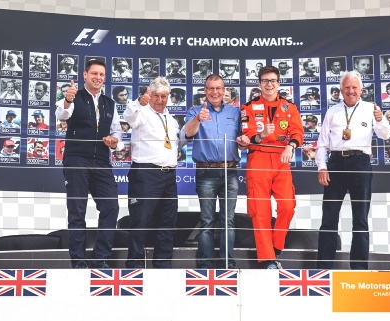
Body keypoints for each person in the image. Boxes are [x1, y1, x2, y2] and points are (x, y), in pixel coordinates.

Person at [315, 70, 390, 270]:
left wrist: (381, 118)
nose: (350, 91)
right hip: (336, 164)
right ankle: (323, 268)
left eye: (354, 88)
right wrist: (322, 167)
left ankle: (359, 270)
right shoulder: (332, 112)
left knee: (360, 219)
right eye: (347, 87)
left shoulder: (371, 109)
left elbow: (385, 135)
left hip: (360, 164)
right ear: (340, 90)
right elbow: (322, 144)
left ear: (361, 90)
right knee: (329, 218)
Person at [55, 59, 124, 269]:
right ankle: (78, 261)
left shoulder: (109, 103)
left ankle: (100, 258)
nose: (98, 78)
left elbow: (117, 134)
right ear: (85, 75)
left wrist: (115, 143)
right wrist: (67, 100)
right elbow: (61, 114)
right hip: (77, 159)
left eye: (102, 75)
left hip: (102, 161)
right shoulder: (74, 96)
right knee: (77, 211)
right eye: (94, 73)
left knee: (111, 207)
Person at [183, 74, 250, 269]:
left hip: (230, 171)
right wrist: (197, 119)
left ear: (224, 90)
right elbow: (187, 134)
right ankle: (205, 265)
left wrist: (244, 143)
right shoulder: (194, 111)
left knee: (228, 220)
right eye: (210, 89)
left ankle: (227, 263)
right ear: (204, 91)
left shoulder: (236, 112)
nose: (215, 92)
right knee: (207, 220)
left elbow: (243, 141)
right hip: (206, 173)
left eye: (218, 88)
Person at [241, 66, 304, 269]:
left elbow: (297, 132)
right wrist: (261, 135)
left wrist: (290, 146)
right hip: (258, 157)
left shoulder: (289, 107)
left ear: (278, 83)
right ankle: (268, 259)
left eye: (273, 81)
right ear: (259, 84)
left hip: (281, 158)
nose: (269, 84)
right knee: (260, 212)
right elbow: (247, 134)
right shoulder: (248, 108)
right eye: (265, 81)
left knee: (287, 206)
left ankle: (276, 247)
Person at [123, 77, 180, 269]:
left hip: (169, 175)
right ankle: (134, 266)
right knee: (141, 221)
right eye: (156, 95)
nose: (160, 100)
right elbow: (129, 116)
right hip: (146, 174)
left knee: (168, 223)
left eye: (164, 96)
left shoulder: (171, 119)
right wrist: (140, 102)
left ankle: (163, 265)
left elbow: (176, 143)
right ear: (150, 95)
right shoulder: (142, 113)